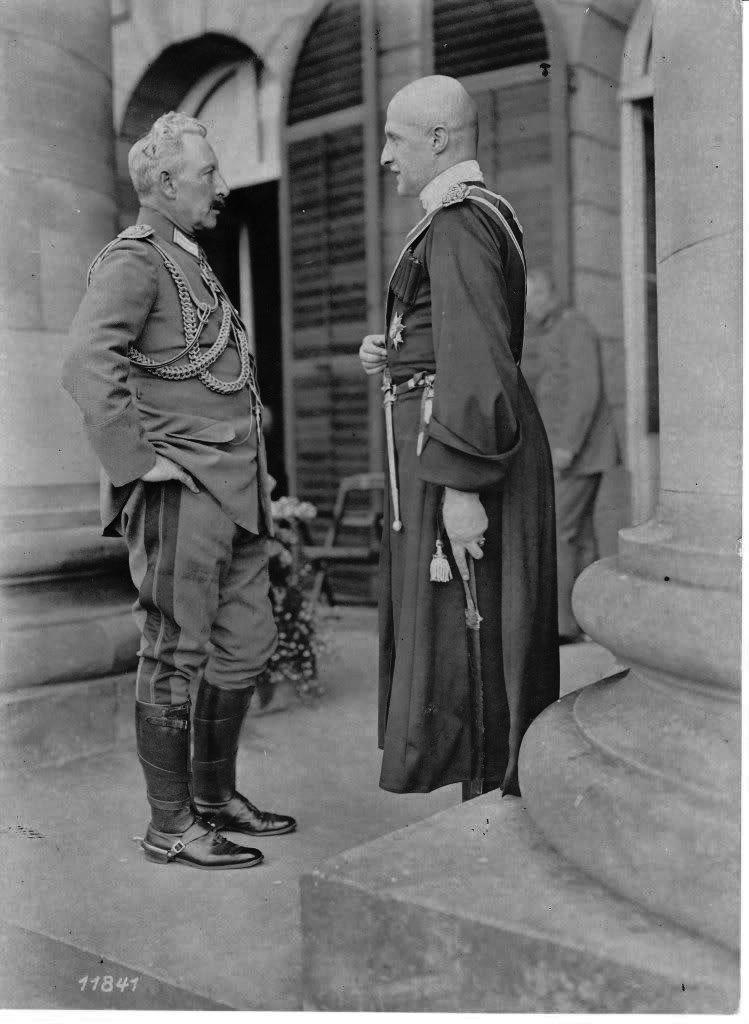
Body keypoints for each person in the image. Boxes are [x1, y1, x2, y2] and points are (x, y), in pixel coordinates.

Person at [62, 112, 295, 870]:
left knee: (245, 642)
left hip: (235, 487)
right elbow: (87, 361)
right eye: (207, 175)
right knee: (174, 651)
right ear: (163, 184)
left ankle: (214, 795)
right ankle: (170, 823)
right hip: (183, 487)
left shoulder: (187, 257)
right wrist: (137, 462)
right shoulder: (135, 260)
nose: (222, 187)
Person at [359, 76, 559, 799]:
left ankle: (486, 819)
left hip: (465, 449)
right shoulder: (472, 216)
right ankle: (483, 806)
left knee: (470, 638)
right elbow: (456, 339)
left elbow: (475, 357)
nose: (384, 155)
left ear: (439, 139)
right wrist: (397, 348)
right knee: (467, 640)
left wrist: (462, 487)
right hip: (458, 434)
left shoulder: (458, 220)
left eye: (394, 138)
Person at [524, 268, 620, 643]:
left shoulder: (573, 326)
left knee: (561, 531)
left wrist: (566, 446)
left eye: (532, 297)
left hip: (578, 452)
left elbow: (585, 391)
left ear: (549, 294)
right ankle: (589, 622)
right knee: (578, 536)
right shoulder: (553, 331)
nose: (528, 307)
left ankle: (565, 625)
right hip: (580, 452)